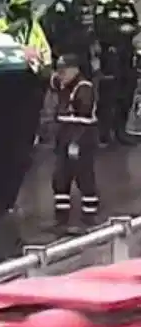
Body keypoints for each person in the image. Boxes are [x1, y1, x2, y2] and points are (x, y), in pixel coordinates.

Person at [50, 53, 99, 232]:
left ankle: (90, 217)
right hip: (64, 137)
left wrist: (75, 143)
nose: (60, 75)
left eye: (64, 71)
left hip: (81, 138)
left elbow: (83, 120)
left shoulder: (83, 88)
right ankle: (61, 218)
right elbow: (49, 79)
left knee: (84, 177)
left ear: (75, 70)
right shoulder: (63, 84)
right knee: (60, 178)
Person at [94, 0, 140, 144]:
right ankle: (103, 133)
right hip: (110, 54)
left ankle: (120, 130)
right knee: (109, 94)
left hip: (126, 53)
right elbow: (99, 28)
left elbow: (135, 24)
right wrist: (119, 30)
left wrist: (132, 29)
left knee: (126, 92)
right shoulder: (104, 2)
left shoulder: (129, 5)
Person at [40, 0, 96, 76]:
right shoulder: (64, 3)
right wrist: (55, 46)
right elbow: (52, 25)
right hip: (66, 49)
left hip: (83, 50)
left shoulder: (89, 3)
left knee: (86, 76)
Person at [0, 0, 52, 70]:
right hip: (11, 71)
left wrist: (47, 65)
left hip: (35, 74)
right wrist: (18, 24)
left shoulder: (33, 24)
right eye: (18, 9)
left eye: (27, 7)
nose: (24, 12)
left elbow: (45, 49)